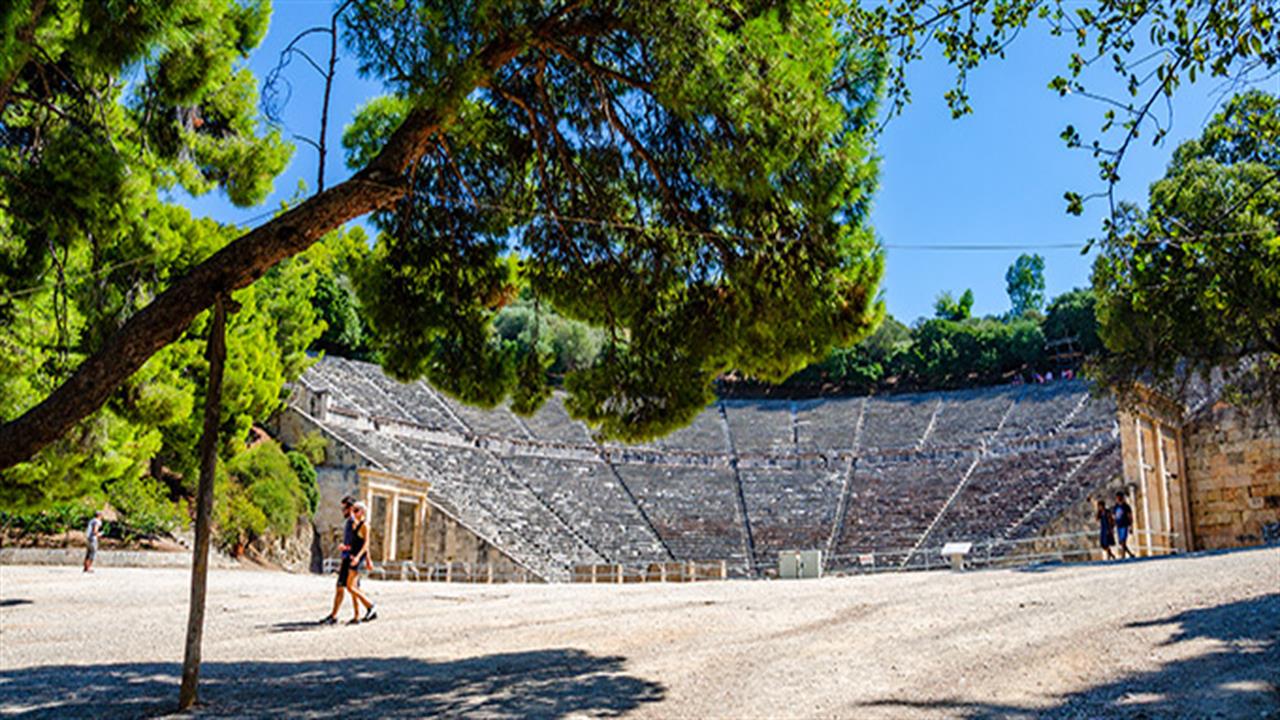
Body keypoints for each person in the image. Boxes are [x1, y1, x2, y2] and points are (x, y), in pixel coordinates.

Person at [319, 496, 357, 625]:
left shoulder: (353, 523)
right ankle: (356, 616)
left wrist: (346, 548)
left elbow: (358, 542)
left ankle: (334, 616)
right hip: (348, 558)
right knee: (352, 588)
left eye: (344, 508)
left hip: (350, 559)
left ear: (351, 508)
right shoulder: (350, 522)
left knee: (343, 587)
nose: (342, 511)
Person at [344, 501, 377, 624]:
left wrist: (360, 558)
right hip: (353, 556)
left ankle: (371, 605)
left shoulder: (365, 526)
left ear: (362, 512)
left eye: (356, 510)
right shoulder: (355, 524)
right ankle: (358, 615)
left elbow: (366, 544)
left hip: (357, 558)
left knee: (350, 587)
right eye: (353, 510)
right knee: (354, 587)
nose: (353, 512)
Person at [1113, 491, 1136, 559]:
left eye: (1119, 497)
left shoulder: (1126, 506)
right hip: (1118, 525)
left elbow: (1130, 516)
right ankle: (1130, 554)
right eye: (1117, 497)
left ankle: (1123, 556)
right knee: (1121, 542)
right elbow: (1114, 516)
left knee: (1123, 541)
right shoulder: (1115, 506)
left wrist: (1131, 526)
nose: (1118, 499)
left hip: (1124, 525)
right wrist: (1113, 524)